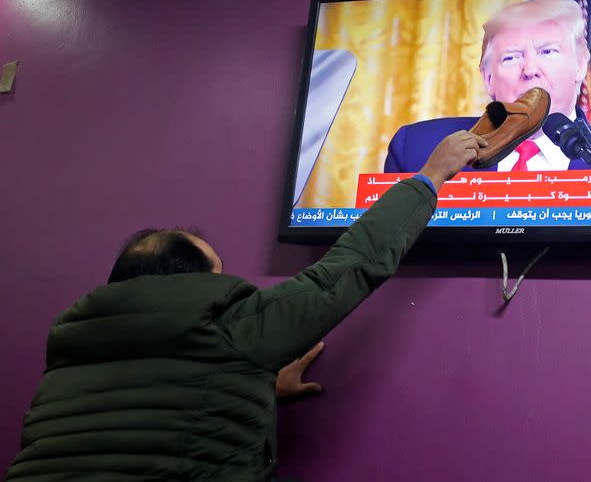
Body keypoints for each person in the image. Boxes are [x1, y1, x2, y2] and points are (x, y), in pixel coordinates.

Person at [6, 130, 488, 481]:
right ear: (194, 283)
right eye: (216, 272)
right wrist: (428, 177)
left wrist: (248, 380)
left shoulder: (69, 353)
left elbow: (139, 417)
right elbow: (348, 267)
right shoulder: (229, 324)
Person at [384, 0, 591, 174]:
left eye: (548, 52)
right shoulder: (416, 152)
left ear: (580, 65)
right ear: (488, 78)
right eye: (511, 57)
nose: (531, 70)